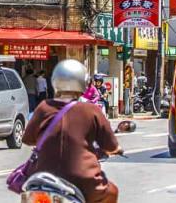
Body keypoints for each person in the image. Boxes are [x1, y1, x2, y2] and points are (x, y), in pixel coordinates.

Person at [22, 59, 122, 203]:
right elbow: (110, 146)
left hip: (43, 177)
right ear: (83, 82)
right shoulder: (92, 110)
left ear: (55, 81)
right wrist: (116, 149)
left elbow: (28, 139)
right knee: (112, 191)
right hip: (84, 179)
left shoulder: (43, 107)